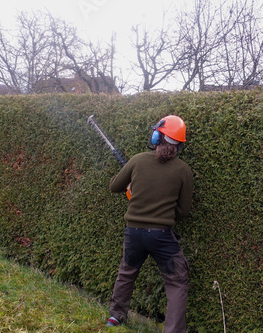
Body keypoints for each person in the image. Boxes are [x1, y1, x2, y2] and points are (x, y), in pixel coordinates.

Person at [106, 115, 194, 333]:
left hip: (133, 233)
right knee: (177, 281)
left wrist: (133, 185)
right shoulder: (184, 170)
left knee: (127, 272)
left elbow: (114, 187)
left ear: (157, 137)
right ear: (179, 145)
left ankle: (116, 317)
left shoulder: (137, 160)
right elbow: (183, 211)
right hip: (161, 235)